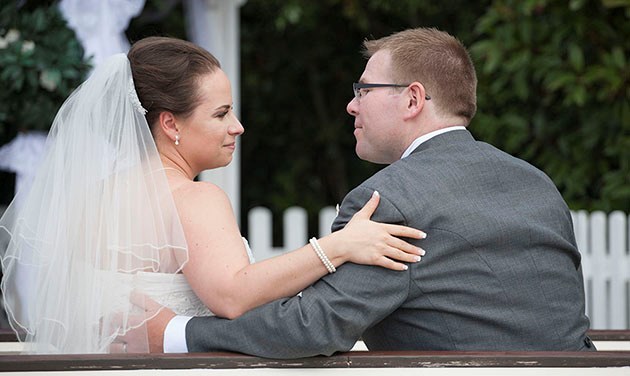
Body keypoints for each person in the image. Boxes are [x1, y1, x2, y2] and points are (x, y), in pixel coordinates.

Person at [145, 27, 593, 356]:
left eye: (364, 88)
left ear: (413, 100)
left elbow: (315, 327)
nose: (351, 104)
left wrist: (177, 333)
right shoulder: (537, 183)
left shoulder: (390, 199)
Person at [0, 36, 426, 354]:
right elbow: (233, 295)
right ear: (170, 124)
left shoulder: (93, 200)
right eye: (221, 113)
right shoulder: (192, 198)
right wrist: (337, 246)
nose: (237, 126)